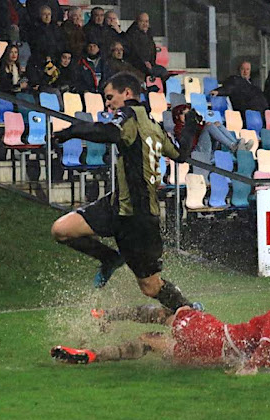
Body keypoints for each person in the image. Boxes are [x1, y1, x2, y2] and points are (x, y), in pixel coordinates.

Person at [51, 72, 200, 312]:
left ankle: (190, 311)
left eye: (110, 97)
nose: (108, 103)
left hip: (138, 219)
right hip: (116, 205)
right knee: (61, 230)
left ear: (127, 94)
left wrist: (73, 130)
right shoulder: (155, 127)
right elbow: (181, 154)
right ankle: (110, 258)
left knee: (150, 287)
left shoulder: (129, 115)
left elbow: (110, 132)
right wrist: (190, 128)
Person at [51, 281, 270, 375]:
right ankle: (90, 355)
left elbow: (267, 342)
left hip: (213, 335)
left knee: (173, 311)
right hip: (212, 358)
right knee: (149, 342)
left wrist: (251, 366)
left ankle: (105, 315)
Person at [172, 104, 253, 155]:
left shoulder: (193, 124)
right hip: (196, 151)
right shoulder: (178, 128)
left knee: (217, 124)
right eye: (184, 114)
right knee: (209, 126)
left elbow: (200, 130)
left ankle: (236, 144)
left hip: (206, 146)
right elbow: (189, 140)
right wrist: (204, 127)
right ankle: (233, 147)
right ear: (177, 116)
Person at [124, 12, 168, 80]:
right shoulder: (132, 35)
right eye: (142, 21)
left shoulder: (148, 34)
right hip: (137, 66)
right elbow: (135, 52)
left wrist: (151, 63)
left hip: (150, 64)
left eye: (146, 21)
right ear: (137, 22)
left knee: (164, 71)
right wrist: (144, 62)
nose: (145, 24)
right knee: (162, 72)